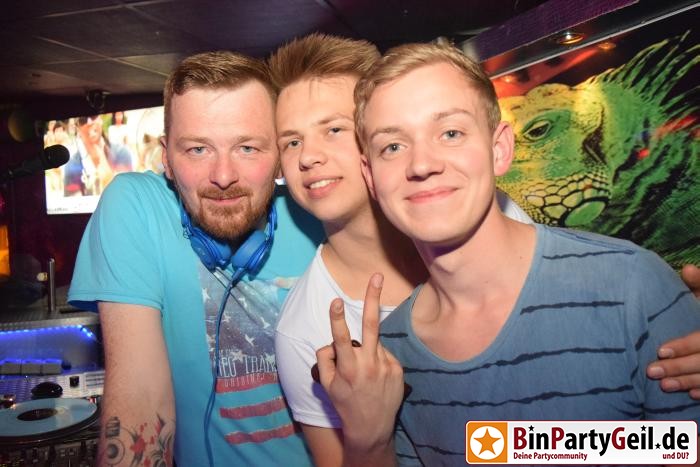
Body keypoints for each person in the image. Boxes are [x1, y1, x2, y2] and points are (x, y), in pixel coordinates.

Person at [269, 34, 700, 466]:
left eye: (450, 133)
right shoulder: (388, 352)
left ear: (499, 149)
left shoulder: (628, 284)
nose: (422, 164)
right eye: (393, 146)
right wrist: (369, 438)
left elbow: (677, 448)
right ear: (372, 171)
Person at [68, 51, 322, 466]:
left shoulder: (321, 215)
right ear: (166, 158)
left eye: (247, 147)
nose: (222, 176)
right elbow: (140, 399)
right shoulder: (137, 207)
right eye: (198, 149)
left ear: (279, 154)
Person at [63, 114, 133, 196]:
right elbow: (73, 201)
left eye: (93, 116)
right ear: (77, 129)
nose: (89, 122)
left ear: (100, 120)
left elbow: (127, 195)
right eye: (83, 120)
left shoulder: (122, 153)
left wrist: (106, 174)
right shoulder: (71, 166)